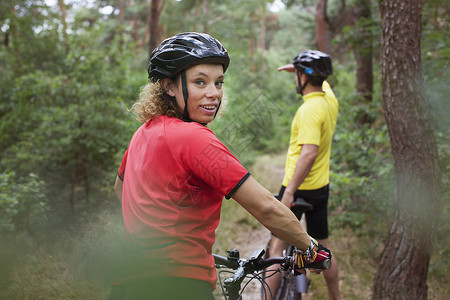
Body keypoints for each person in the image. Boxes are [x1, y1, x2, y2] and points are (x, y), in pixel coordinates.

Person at [109, 33, 333, 300]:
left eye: (219, 82)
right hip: (178, 284)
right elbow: (265, 207)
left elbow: (120, 190)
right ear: (169, 86)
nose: (213, 93)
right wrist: (312, 247)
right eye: (200, 82)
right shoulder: (193, 138)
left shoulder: (142, 133)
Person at [265, 50, 340, 300]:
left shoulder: (309, 110)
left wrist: (288, 193)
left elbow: (309, 153)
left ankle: (266, 297)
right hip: (320, 188)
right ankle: (335, 297)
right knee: (324, 248)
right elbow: (322, 79)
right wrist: (299, 68)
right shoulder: (329, 100)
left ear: (304, 78)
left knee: (276, 246)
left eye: (297, 74)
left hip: (298, 188)